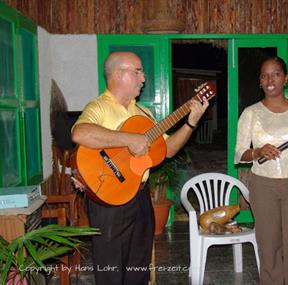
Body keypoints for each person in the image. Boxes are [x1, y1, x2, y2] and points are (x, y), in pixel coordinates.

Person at [71, 51, 209, 285]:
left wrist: (190, 122)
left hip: (140, 196)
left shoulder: (143, 114)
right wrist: (128, 139)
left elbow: (166, 150)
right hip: (109, 200)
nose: (143, 78)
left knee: (139, 268)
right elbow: (80, 133)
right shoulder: (99, 107)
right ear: (117, 74)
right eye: (137, 71)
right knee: (110, 270)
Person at [234, 56, 288, 285]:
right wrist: (258, 151)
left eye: (276, 74)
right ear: (260, 81)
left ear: (285, 78)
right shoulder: (250, 113)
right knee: (268, 245)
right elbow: (240, 153)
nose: (270, 79)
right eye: (264, 75)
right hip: (263, 185)